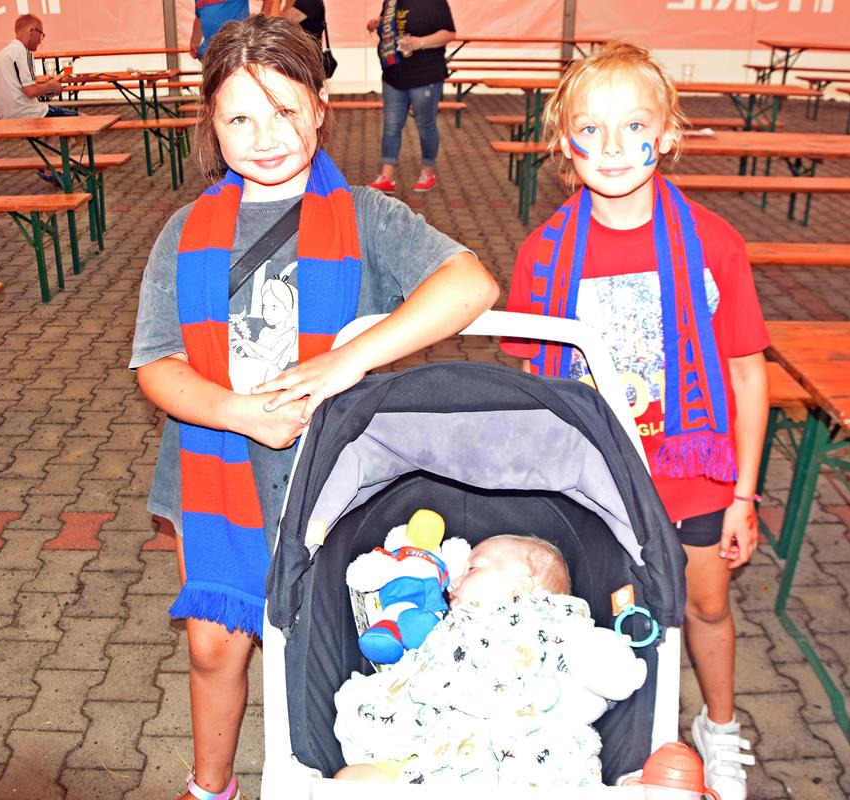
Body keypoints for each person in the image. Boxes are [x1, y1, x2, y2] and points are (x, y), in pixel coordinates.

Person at [129, 15, 499, 800]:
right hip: (218, 471)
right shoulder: (184, 232)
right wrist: (236, 412)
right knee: (214, 648)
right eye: (239, 118)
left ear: (321, 107)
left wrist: (345, 361)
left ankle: (340, 775)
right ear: (211, 123)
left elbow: (471, 284)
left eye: (284, 111)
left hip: (337, 482)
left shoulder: (368, 216)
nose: (265, 137)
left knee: (332, 642)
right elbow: (156, 364)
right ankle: (211, 786)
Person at [500, 41, 767, 800]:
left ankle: (717, 725)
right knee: (608, 609)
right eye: (590, 128)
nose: (613, 146)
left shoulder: (713, 245)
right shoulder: (543, 256)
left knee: (705, 604)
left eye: (634, 125)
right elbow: (538, 386)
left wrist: (743, 494)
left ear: (668, 134)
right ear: (563, 143)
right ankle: (609, 739)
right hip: (598, 476)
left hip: (693, 474)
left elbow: (748, 372)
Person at [334, 535, 647, 787]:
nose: (453, 582)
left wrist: (601, 660)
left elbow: (604, 669)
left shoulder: (553, 625)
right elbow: (417, 675)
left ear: (522, 585)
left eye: (472, 569)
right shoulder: (448, 630)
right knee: (351, 781)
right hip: (435, 758)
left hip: (515, 762)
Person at [365, 0, 456, 193]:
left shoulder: (434, 3)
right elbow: (388, 23)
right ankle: (387, 176)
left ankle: (428, 172)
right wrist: (377, 23)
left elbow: (449, 34)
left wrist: (420, 42)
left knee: (425, 125)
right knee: (391, 126)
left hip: (425, 75)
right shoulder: (391, 1)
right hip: (393, 74)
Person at [0, 14, 76, 185]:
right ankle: (50, 165)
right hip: (26, 113)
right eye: (41, 35)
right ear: (32, 31)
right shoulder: (23, 52)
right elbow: (30, 91)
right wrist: (51, 86)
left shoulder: (0, 55)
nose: (40, 41)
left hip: (6, 115)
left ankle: (52, 166)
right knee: (82, 121)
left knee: (60, 131)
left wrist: (46, 88)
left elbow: (22, 89)